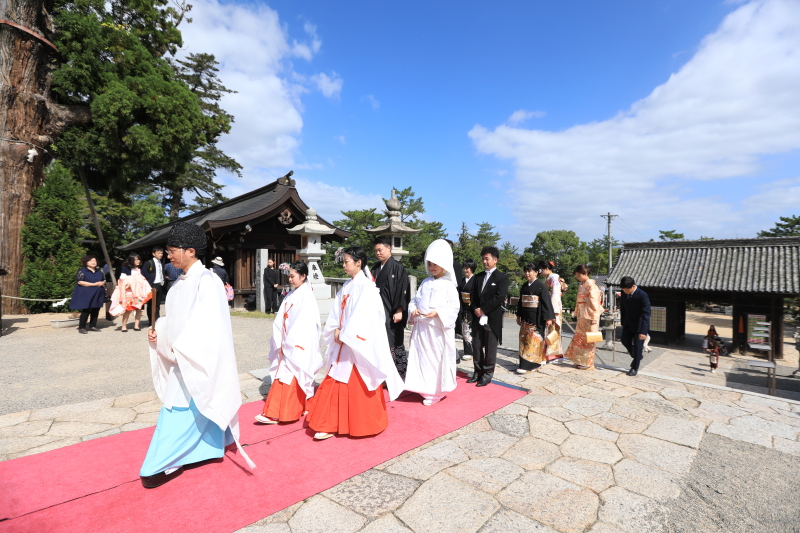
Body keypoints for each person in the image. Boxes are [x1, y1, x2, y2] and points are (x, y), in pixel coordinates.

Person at [141, 221, 253, 488]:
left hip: (197, 355)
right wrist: (160, 332)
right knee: (193, 403)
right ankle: (208, 449)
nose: (168, 255)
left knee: (180, 407)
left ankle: (160, 463)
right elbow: (174, 320)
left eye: (172, 250)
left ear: (190, 250)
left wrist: (182, 347)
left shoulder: (208, 281)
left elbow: (208, 323)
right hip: (182, 353)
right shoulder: (179, 283)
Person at [306, 246, 404, 440]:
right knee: (336, 378)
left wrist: (346, 332)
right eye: (343, 261)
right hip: (343, 339)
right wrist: (335, 327)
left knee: (355, 380)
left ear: (359, 263)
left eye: (346, 261)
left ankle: (362, 423)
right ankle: (330, 422)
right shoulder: (347, 286)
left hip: (356, 342)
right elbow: (336, 311)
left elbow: (365, 316)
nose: (343, 265)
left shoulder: (366, 287)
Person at [255, 261, 323, 424]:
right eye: (289, 276)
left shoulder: (306, 296)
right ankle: (303, 405)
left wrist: (287, 343)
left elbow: (302, 324)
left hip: (297, 342)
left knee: (288, 375)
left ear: (303, 276)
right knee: (297, 374)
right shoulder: (294, 293)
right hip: (289, 340)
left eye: (293, 276)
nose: (290, 279)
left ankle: (277, 412)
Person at [404, 240, 461, 405]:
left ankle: (436, 391)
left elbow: (454, 308)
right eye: (430, 263)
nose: (432, 267)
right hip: (422, 328)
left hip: (437, 330)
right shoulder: (425, 282)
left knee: (435, 360)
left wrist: (438, 313)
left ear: (444, 264)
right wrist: (413, 310)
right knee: (422, 358)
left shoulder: (449, 285)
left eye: (436, 263)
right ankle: (423, 388)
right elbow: (414, 300)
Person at [468, 246, 509, 387]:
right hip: (477, 317)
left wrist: (484, 310)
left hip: (492, 318)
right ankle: (477, 372)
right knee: (477, 345)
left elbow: (499, 297)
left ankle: (487, 374)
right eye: (483, 259)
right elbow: (472, 296)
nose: (485, 261)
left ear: (495, 260)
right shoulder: (478, 277)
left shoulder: (502, 277)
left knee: (490, 348)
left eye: (487, 259)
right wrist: (476, 309)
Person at [372, 236, 411, 379]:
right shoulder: (375, 268)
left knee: (394, 341)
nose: (378, 253)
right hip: (378, 310)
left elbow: (403, 290)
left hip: (392, 311)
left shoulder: (398, 267)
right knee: (379, 343)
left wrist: (400, 310)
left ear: (389, 248)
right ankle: (383, 376)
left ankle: (400, 375)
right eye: (376, 251)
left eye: (380, 250)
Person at [516, 263, 555, 374]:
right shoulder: (524, 286)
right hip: (525, 316)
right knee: (524, 340)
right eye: (526, 271)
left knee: (534, 340)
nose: (527, 273)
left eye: (530, 271)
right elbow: (520, 302)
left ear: (536, 272)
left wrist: (548, 318)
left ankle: (531, 364)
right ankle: (525, 364)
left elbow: (546, 302)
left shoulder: (540, 286)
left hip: (536, 317)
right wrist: (518, 315)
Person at [564, 265, 603, 370]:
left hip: (590, 316)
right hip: (582, 315)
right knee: (579, 339)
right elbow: (578, 301)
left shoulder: (592, 286)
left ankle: (588, 363)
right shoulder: (582, 285)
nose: (578, 277)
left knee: (589, 340)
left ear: (585, 274)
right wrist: (577, 313)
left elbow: (594, 302)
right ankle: (579, 360)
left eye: (579, 275)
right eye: (576, 275)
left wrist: (594, 318)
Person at [619, 275, 651, 377]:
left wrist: (644, 331)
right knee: (624, 340)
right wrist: (623, 322)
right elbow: (623, 309)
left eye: (626, 289)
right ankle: (636, 356)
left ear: (633, 286)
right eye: (623, 289)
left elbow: (646, 314)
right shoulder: (624, 294)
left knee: (638, 346)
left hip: (639, 325)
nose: (624, 291)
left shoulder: (642, 295)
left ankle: (634, 368)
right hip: (627, 323)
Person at [112, 254, 151, 332]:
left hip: (139, 293)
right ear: (130, 260)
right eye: (136, 259)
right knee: (128, 310)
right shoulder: (125, 269)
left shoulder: (142, 269)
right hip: (129, 293)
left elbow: (149, 278)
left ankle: (136, 325)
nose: (138, 261)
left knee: (139, 309)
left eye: (139, 259)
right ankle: (124, 326)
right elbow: (121, 280)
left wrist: (143, 284)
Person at [70, 255, 106, 334]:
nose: (93, 262)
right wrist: (94, 284)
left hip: (98, 293)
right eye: (91, 261)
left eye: (95, 261)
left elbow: (103, 280)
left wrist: (102, 283)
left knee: (96, 309)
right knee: (86, 310)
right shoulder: (82, 271)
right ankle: (82, 327)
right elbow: (80, 282)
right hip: (87, 293)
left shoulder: (99, 271)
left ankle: (92, 325)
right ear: (86, 262)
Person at [538, 260, 564, 361]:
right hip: (549, 307)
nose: (540, 272)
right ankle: (550, 355)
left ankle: (553, 355)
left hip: (553, 309)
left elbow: (555, 295)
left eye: (541, 270)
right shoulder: (551, 278)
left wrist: (552, 311)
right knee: (550, 331)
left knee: (553, 331)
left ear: (546, 269)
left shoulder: (554, 279)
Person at [457, 259, 478, 362]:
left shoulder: (476, 280)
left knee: (471, 330)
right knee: (465, 329)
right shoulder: (462, 281)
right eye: (464, 268)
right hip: (463, 308)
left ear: (472, 268)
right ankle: (468, 351)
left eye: (468, 268)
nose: (466, 270)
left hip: (472, 308)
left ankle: (472, 351)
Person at [142, 247, 166, 326]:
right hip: (152, 285)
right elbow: (143, 274)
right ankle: (151, 321)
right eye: (158, 253)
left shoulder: (161, 262)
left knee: (158, 304)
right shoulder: (149, 263)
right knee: (151, 304)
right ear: (153, 253)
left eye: (161, 253)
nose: (160, 255)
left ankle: (157, 319)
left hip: (160, 284)